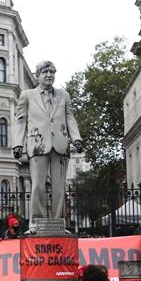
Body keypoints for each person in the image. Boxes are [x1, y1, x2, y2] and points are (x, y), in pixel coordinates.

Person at [12, 60, 84, 223]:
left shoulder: (63, 95)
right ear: (38, 76)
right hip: (37, 144)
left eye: (52, 72)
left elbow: (69, 117)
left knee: (59, 187)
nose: (49, 75)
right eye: (45, 72)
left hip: (61, 144)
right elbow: (20, 120)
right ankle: (37, 221)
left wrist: (76, 138)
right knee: (37, 185)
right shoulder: (27, 95)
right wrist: (17, 143)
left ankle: (57, 221)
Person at [0, 214, 22, 281]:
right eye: (14, 226)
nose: (16, 228)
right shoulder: (5, 233)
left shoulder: (21, 233)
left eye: (17, 225)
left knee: (18, 280)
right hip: (8, 260)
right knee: (8, 280)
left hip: (18, 260)